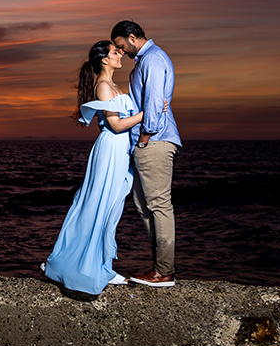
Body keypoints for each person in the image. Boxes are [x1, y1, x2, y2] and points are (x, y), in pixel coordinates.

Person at [42, 40, 147, 296]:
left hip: (119, 151)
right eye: (114, 52)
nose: (120, 55)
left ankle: (103, 266)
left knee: (110, 209)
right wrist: (148, 113)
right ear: (103, 59)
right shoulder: (103, 86)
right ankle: (73, 266)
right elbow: (117, 126)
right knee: (96, 205)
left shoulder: (112, 85)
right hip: (110, 150)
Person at [111, 20, 180, 288]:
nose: (121, 52)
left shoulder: (153, 58)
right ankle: (159, 267)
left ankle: (164, 271)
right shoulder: (145, 61)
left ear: (131, 37)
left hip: (154, 141)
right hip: (147, 141)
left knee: (159, 205)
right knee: (143, 205)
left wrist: (145, 136)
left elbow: (154, 101)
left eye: (120, 46)